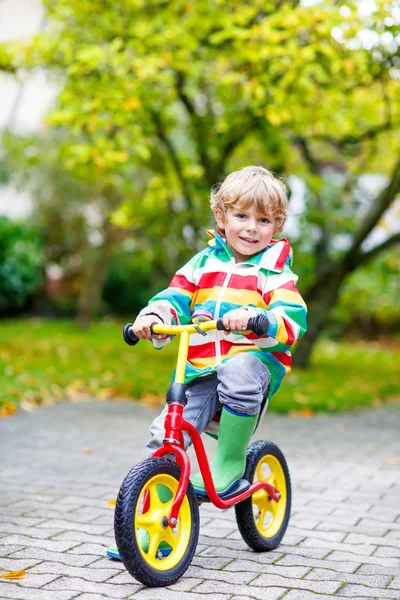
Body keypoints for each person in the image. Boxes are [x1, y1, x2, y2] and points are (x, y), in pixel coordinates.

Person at [106, 165, 307, 560]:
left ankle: (231, 460)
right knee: (168, 431)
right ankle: (148, 532)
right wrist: (154, 318)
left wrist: (260, 320)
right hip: (199, 370)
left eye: (263, 220)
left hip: (252, 367)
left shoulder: (273, 271)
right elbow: (174, 296)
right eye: (242, 216)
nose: (251, 228)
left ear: (276, 226)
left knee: (238, 368)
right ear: (222, 217)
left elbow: (292, 314)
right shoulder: (201, 264)